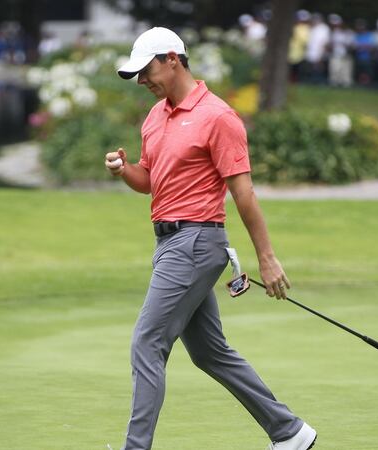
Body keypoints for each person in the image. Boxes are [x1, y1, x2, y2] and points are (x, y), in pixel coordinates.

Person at [106, 27, 316, 450]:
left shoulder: (218, 116)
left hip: (196, 243)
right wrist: (124, 170)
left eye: (146, 70)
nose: (141, 80)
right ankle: (290, 432)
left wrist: (267, 257)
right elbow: (152, 181)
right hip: (170, 243)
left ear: (172, 59)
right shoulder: (155, 116)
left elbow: (244, 193)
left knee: (148, 342)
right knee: (209, 352)